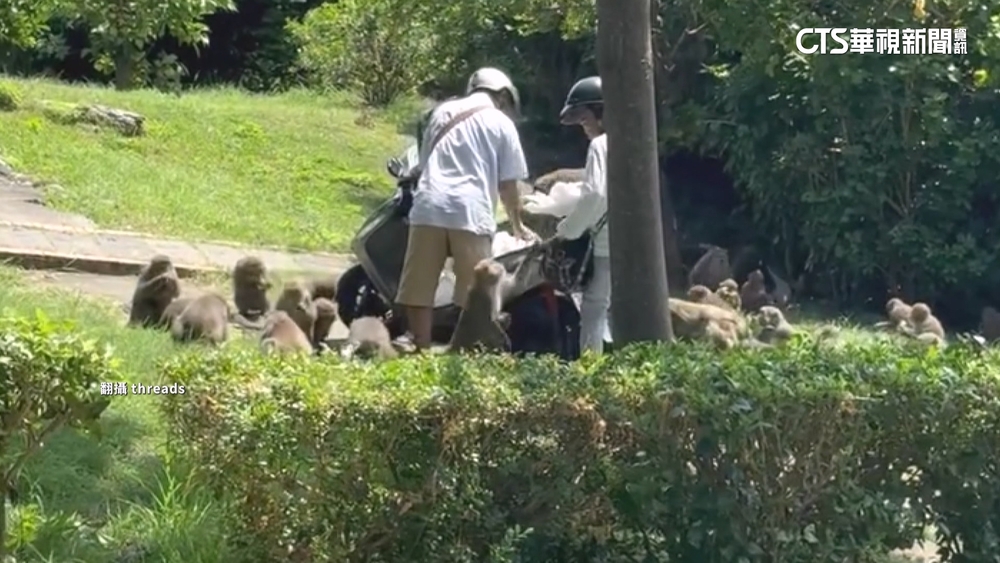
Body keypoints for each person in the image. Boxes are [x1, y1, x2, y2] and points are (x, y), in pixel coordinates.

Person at [396, 67, 536, 350]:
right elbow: (509, 186)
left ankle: (418, 346)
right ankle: (466, 350)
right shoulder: (501, 122)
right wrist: (517, 224)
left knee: (419, 285)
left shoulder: (441, 113)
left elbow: (424, 164)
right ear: (503, 96)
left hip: (429, 206)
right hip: (470, 212)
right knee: (476, 291)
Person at [553, 76, 610, 354]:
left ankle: (591, 368)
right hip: (638, 244)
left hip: (607, 245)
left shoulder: (600, 145)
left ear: (602, 114)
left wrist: (568, 230)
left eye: (585, 120)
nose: (584, 128)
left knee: (594, 309)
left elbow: (595, 195)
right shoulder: (635, 141)